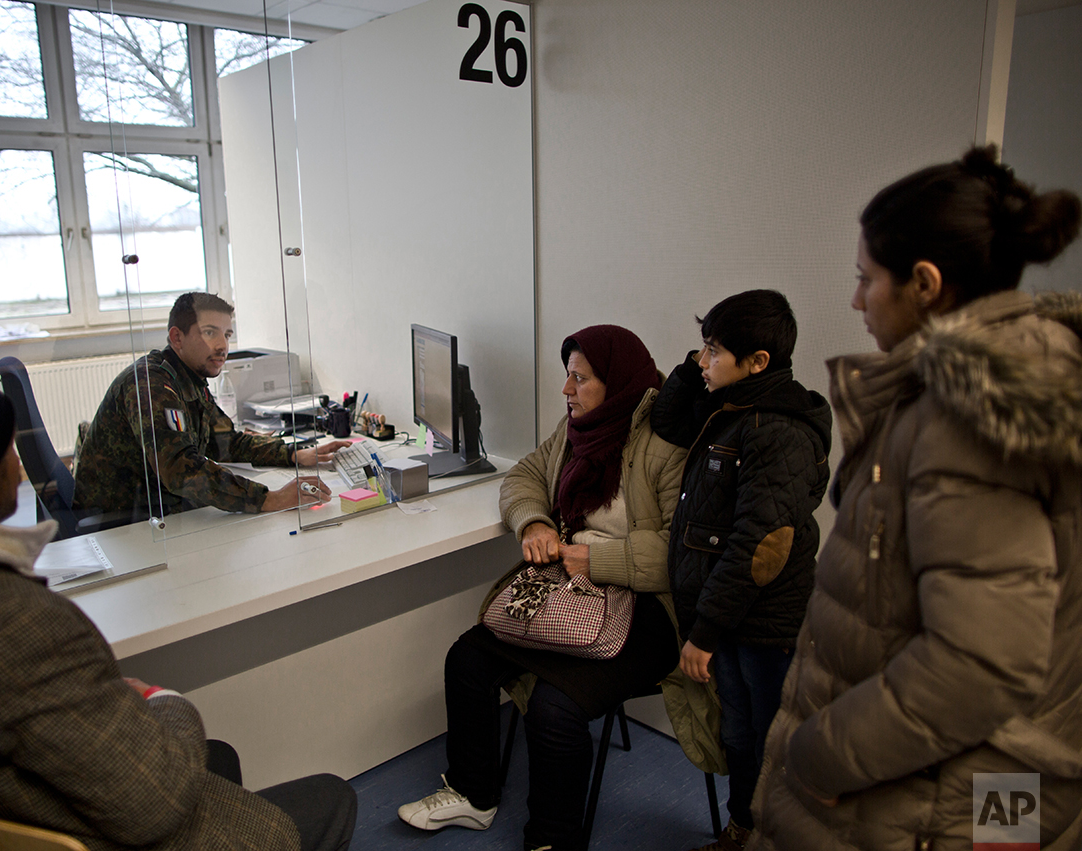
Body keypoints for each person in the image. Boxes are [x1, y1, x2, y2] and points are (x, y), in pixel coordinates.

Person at [0, 367, 358, 851]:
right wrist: (160, 700)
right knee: (329, 798)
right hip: (88, 834)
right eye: (7, 457)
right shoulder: (11, 624)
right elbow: (154, 802)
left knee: (218, 760)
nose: (21, 474)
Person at [749, 146, 1082, 850]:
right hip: (995, 774)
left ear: (925, 284)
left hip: (941, 791)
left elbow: (981, 662)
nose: (853, 300)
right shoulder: (1019, 384)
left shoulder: (968, 422)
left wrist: (817, 752)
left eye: (865, 279)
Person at [397, 325, 686, 851]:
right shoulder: (578, 427)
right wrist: (534, 522)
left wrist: (599, 558)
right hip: (569, 590)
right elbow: (525, 475)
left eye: (580, 378)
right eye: (567, 376)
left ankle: (552, 841)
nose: (566, 390)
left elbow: (679, 553)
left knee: (556, 708)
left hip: (646, 608)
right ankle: (472, 794)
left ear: (618, 383)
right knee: (467, 659)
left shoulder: (667, 445)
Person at [649, 289, 832, 851]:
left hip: (763, 626)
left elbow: (762, 547)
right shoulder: (732, 408)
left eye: (715, 352)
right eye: (704, 348)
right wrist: (698, 359)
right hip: (729, 618)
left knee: (770, 743)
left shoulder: (776, 430)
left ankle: (766, 835)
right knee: (741, 736)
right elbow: (668, 419)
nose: (704, 363)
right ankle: (742, 830)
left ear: (759, 363)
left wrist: (703, 632)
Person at [73, 292, 348, 522]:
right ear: (177, 338)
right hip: (123, 522)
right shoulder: (152, 385)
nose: (222, 346)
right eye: (209, 333)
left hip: (159, 507)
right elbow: (182, 470)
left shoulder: (189, 379)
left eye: (227, 335)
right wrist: (269, 498)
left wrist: (295, 455)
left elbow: (228, 442)